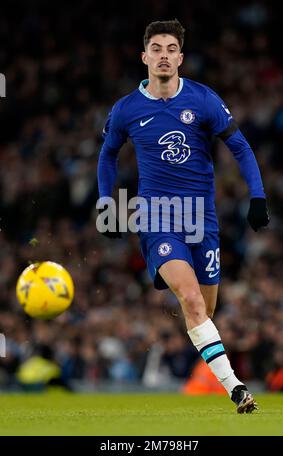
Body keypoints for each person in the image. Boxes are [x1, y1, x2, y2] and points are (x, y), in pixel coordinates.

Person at [97, 19, 269, 413]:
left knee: (204, 312)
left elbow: (240, 146)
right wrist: (106, 203)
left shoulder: (203, 99)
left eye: (171, 49)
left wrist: (257, 196)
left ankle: (204, 367)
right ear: (144, 57)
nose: (163, 56)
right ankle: (238, 391)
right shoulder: (126, 109)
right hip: (158, 217)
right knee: (191, 301)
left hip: (202, 219)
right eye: (156, 48)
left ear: (181, 58)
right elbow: (107, 155)